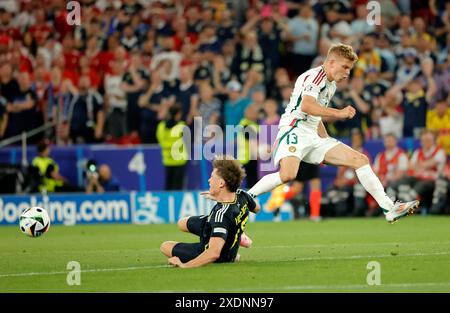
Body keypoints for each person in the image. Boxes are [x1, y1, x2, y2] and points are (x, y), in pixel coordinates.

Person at [246, 43, 419, 224]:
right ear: (331, 62)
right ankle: (246, 196)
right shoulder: (315, 77)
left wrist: (327, 142)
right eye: (345, 67)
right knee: (288, 175)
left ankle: (389, 208)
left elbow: (316, 115)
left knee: (360, 160)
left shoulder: (331, 85)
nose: (347, 73)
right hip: (294, 129)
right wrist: (339, 112)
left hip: (313, 135)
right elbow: (306, 106)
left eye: (350, 69)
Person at [160, 155, 260, 268]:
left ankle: (232, 246)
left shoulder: (221, 216)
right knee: (182, 223)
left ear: (221, 183)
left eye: (212, 177)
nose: (209, 180)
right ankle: (236, 235)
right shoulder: (242, 195)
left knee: (165, 246)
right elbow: (257, 208)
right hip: (223, 227)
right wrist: (219, 198)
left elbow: (214, 253)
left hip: (222, 256)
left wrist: (184, 265)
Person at [156, 104, 188, 190]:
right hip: (180, 161)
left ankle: (167, 203)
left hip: (167, 160)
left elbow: (160, 141)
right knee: (178, 187)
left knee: (168, 186)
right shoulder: (182, 125)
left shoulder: (161, 126)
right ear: (178, 114)